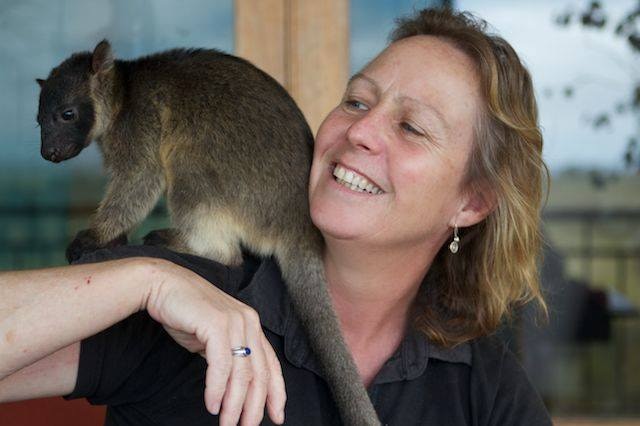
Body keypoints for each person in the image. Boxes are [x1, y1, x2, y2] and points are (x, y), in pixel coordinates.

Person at [0, 8, 552, 426]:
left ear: (471, 202)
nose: (359, 131)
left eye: (411, 127)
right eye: (357, 102)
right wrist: (147, 279)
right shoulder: (186, 303)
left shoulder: (483, 386)